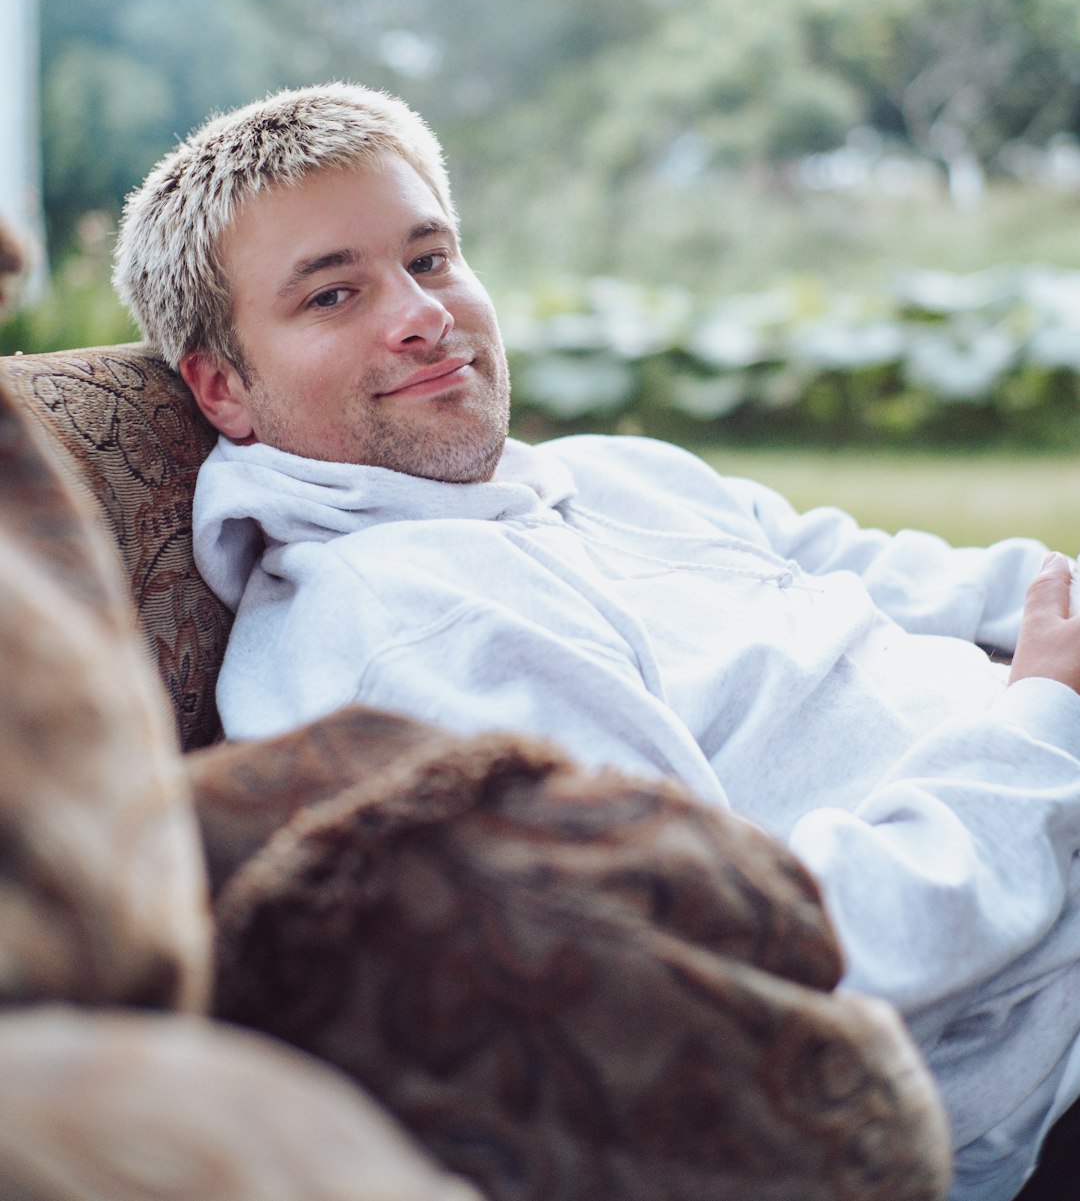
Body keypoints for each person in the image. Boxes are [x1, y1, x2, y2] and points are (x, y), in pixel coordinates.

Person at [114, 82, 1080, 1201]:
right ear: (224, 387)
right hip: (1035, 1053)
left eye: (430, 260)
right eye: (335, 293)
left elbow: (921, 575)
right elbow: (753, 965)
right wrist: (1043, 720)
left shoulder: (610, 474)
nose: (422, 313)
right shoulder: (399, 640)